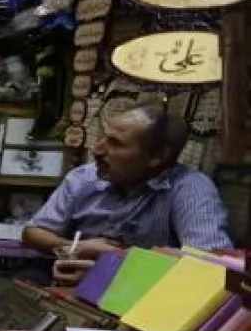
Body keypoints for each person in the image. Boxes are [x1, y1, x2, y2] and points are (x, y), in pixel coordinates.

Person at [24, 105, 233, 268]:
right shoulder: (84, 178)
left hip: (144, 303)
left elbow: (210, 266)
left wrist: (113, 267)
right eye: (104, 137)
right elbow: (35, 231)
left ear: (157, 157)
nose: (97, 150)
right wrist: (74, 248)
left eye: (115, 143)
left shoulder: (189, 189)